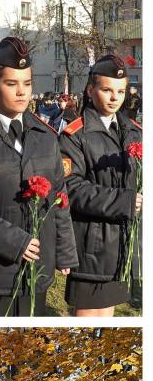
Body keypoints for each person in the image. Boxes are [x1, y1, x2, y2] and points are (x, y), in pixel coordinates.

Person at [0, 37, 78, 316]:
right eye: (11, 84)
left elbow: (59, 198)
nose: (21, 92)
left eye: (27, 84)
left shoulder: (46, 137)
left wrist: (65, 251)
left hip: (37, 270)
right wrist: (14, 241)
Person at [60, 54, 143, 316]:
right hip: (91, 242)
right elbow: (71, 188)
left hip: (122, 242)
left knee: (106, 315)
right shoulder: (76, 135)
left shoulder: (133, 130)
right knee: (89, 316)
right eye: (106, 90)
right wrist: (124, 201)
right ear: (90, 89)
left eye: (120, 91)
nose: (114, 97)